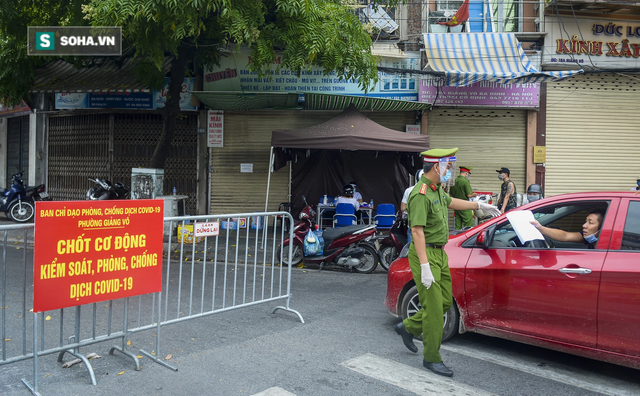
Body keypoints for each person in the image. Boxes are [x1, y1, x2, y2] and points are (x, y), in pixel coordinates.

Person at [393, 148, 500, 378]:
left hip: (440, 254)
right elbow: (417, 232)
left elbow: (451, 202)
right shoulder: (420, 194)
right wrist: (423, 267)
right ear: (435, 167)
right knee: (433, 310)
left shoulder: (436, 189)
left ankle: (408, 327)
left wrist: (479, 206)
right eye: (447, 167)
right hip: (425, 254)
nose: (450, 171)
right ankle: (432, 358)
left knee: (442, 302)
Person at [531, 209, 604, 249]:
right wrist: (541, 228)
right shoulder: (587, 237)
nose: (584, 225)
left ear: (602, 227)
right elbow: (565, 236)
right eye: (586, 222)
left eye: (590, 223)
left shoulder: (609, 246)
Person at [401, 169, 424, 243]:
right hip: (426, 229)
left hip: (412, 226)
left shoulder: (409, 190)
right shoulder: (431, 191)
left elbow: (402, 208)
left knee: (411, 251)